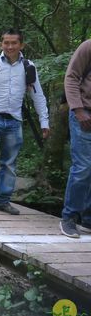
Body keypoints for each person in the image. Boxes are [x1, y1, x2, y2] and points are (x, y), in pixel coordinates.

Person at [0, 29, 50, 214]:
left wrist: (44, 121)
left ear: (21, 45)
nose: (10, 46)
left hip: (14, 120)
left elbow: (38, 96)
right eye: (6, 43)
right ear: (1, 44)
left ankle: (2, 201)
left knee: (10, 164)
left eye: (14, 43)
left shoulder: (29, 67)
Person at [60, 39, 91, 238]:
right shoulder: (88, 46)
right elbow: (71, 77)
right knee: (83, 166)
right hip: (83, 113)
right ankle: (69, 218)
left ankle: (88, 220)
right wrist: (78, 110)